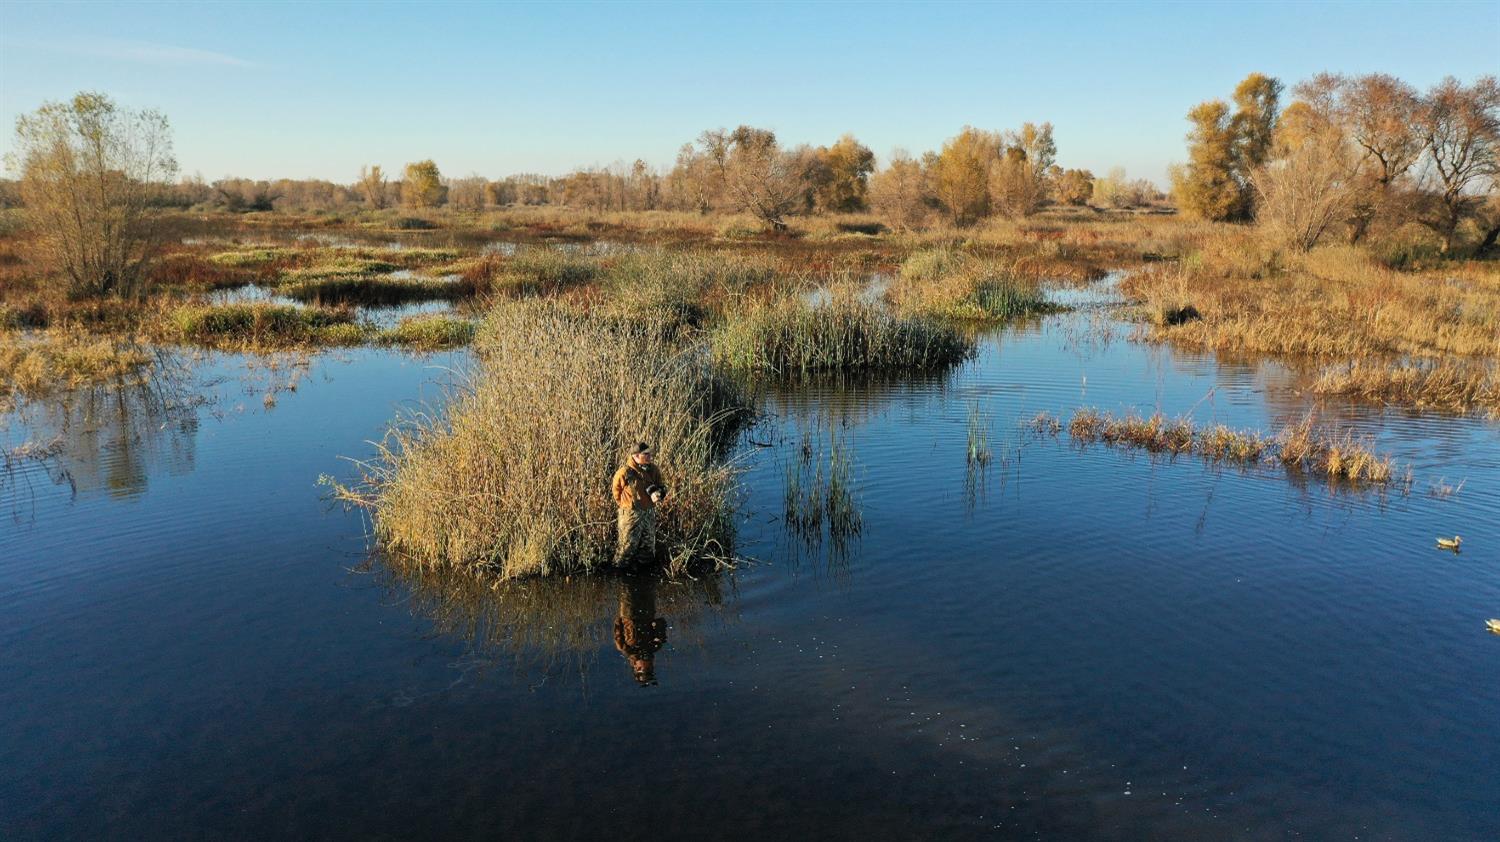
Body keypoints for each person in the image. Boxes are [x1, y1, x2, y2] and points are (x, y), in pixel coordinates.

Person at [611, 442, 667, 566]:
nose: (650, 456)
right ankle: (619, 577)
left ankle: (643, 578)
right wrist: (626, 506)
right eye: (646, 454)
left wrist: (659, 494)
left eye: (650, 454)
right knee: (626, 549)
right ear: (635, 456)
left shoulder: (653, 470)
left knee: (648, 550)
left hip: (649, 514)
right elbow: (616, 493)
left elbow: (662, 487)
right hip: (630, 516)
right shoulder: (624, 472)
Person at [612, 573, 666, 685]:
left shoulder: (626, 648)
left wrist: (622, 617)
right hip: (647, 611)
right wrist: (658, 634)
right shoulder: (654, 646)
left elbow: (617, 629)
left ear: (635, 666)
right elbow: (661, 622)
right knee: (647, 584)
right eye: (648, 668)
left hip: (628, 613)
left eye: (643, 668)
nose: (645, 665)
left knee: (627, 588)